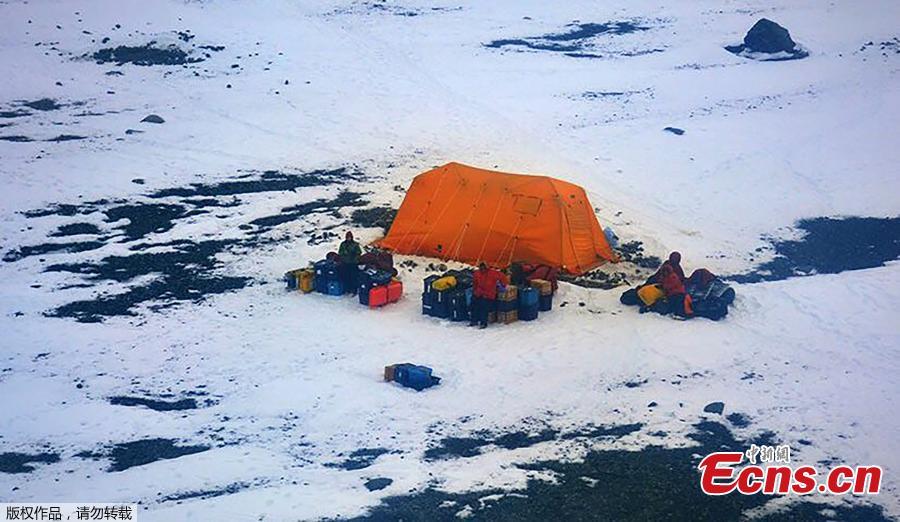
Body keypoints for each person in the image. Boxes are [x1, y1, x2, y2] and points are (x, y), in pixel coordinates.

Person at [470, 262, 509, 329]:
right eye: (481, 267)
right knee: (473, 303)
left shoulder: (493, 273)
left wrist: (503, 285)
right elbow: (475, 283)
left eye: (484, 267)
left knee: (483, 305)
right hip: (479, 293)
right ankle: (474, 321)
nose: (482, 269)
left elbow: (502, 276)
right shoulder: (477, 273)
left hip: (488, 295)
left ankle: (483, 323)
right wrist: (474, 292)